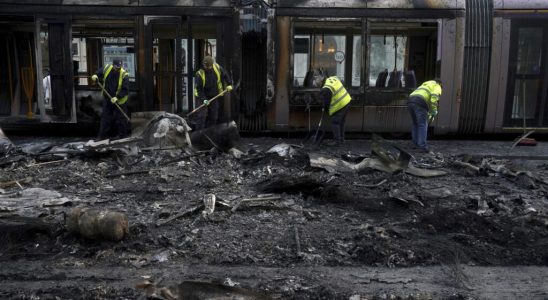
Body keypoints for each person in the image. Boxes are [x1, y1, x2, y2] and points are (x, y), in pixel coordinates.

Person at [91, 59, 130, 140]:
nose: (118, 69)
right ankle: (101, 137)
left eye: (119, 68)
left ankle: (122, 136)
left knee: (120, 119)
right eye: (116, 68)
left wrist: (117, 97)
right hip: (108, 98)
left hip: (120, 100)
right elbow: (99, 73)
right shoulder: (107, 68)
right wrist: (95, 75)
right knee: (105, 118)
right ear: (113, 65)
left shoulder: (124, 74)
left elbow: (125, 89)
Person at [193, 55, 233, 130]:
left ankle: (210, 132)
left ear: (212, 65)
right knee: (202, 116)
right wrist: (204, 99)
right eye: (205, 66)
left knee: (214, 116)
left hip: (214, 95)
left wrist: (229, 84)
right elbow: (199, 90)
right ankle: (198, 135)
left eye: (208, 66)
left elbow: (225, 74)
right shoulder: (200, 74)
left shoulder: (217, 67)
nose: (207, 68)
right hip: (202, 96)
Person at [407, 78, 442, 153]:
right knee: (422, 124)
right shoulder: (437, 85)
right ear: (440, 84)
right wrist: (434, 111)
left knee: (415, 124)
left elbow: (427, 103)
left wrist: (429, 114)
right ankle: (422, 146)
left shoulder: (425, 85)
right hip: (420, 102)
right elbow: (434, 99)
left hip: (410, 101)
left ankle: (415, 144)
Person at [318, 75, 352, 145]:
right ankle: (342, 140)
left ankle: (337, 141)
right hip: (347, 101)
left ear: (321, 82)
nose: (319, 86)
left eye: (319, 85)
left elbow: (326, 102)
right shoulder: (332, 78)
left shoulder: (326, 88)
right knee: (341, 122)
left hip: (340, 104)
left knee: (335, 122)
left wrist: (324, 108)